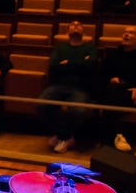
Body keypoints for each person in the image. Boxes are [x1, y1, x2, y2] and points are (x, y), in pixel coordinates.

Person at [38, 20, 99, 153]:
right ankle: (65, 136)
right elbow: (54, 66)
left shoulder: (90, 48)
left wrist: (67, 63)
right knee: (42, 104)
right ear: (68, 32)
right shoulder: (60, 48)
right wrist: (81, 63)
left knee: (79, 111)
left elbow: (90, 66)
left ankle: (61, 136)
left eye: (79, 25)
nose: (76, 26)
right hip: (59, 85)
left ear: (83, 32)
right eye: (73, 25)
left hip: (80, 87)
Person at [96, 25, 136, 152]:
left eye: (131, 33)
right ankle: (118, 134)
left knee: (112, 96)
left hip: (135, 95)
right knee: (112, 92)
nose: (126, 34)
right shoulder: (113, 55)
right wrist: (111, 79)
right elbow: (101, 74)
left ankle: (111, 136)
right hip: (115, 90)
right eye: (125, 32)